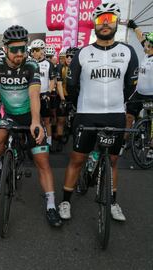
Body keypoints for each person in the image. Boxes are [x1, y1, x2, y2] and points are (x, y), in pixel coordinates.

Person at [0, 25, 62, 227]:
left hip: (29, 115)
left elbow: (34, 94)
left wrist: (35, 121)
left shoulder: (32, 65)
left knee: (43, 161)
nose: (20, 54)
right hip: (9, 116)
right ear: (6, 48)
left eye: (23, 48)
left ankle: (51, 205)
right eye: (15, 49)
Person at [58, 3, 139, 222]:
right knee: (77, 159)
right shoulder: (84, 52)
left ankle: (113, 202)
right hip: (87, 114)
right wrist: (80, 105)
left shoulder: (127, 51)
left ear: (116, 22)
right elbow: (71, 84)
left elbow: (132, 86)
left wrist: (121, 105)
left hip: (115, 114)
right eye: (101, 20)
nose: (105, 24)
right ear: (95, 23)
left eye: (109, 19)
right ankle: (65, 200)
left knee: (113, 160)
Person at [124, 21, 153, 156]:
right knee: (129, 117)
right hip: (139, 92)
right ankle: (125, 141)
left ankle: (151, 148)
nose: (144, 45)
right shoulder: (147, 53)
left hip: (151, 95)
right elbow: (141, 36)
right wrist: (134, 26)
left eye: (147, 44)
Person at [30, 39, 56, 149]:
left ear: (42, 50)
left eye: (37, 50)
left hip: (44, 94)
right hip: (32, 95)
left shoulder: (48, 64)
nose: (34, 52)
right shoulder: (29, 63)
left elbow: (52, 80)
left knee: (46, 120)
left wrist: (49, 92)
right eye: (33, 50)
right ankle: (31, 140)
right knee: (32, 119)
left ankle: (49, 141)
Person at [54, 47, 79, 152]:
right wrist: (63, 99)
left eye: (71, 57)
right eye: (67, 56)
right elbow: (59, 84)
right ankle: (59, 142)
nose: (68, 58)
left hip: (76, 97)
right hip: (63, 95)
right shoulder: (60, 67)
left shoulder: (80, 68)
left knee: (77, 123)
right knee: (61, 120)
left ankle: (76, 142)